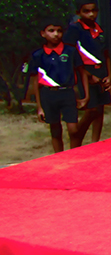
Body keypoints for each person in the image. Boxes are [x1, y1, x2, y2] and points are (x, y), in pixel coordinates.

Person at [30, 16, 89, 153]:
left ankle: (74, 154)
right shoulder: (38, 55)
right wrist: (39, 107)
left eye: (59, 31)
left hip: (67, 93)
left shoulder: (70, 51)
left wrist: (86, 96)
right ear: (43, 33)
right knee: (55, 130)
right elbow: (36, 81)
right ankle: (59, 157)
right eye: (51, 31)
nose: (56, 34)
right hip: (48, 94)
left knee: (73, 129)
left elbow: (82, 73)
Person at [64, 0, 111, 143]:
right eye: (86, 11)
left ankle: (95, 141)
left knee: (100, 108)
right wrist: (89, 75)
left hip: (100, 71)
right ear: (78, 12)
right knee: (91, 109)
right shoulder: (74, 30)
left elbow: (106, 54)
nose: (91, 14)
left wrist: (109, 75)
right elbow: (70, 55)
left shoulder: (100, 30)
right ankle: (77, 137)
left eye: (94, 10)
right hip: (84, 73)